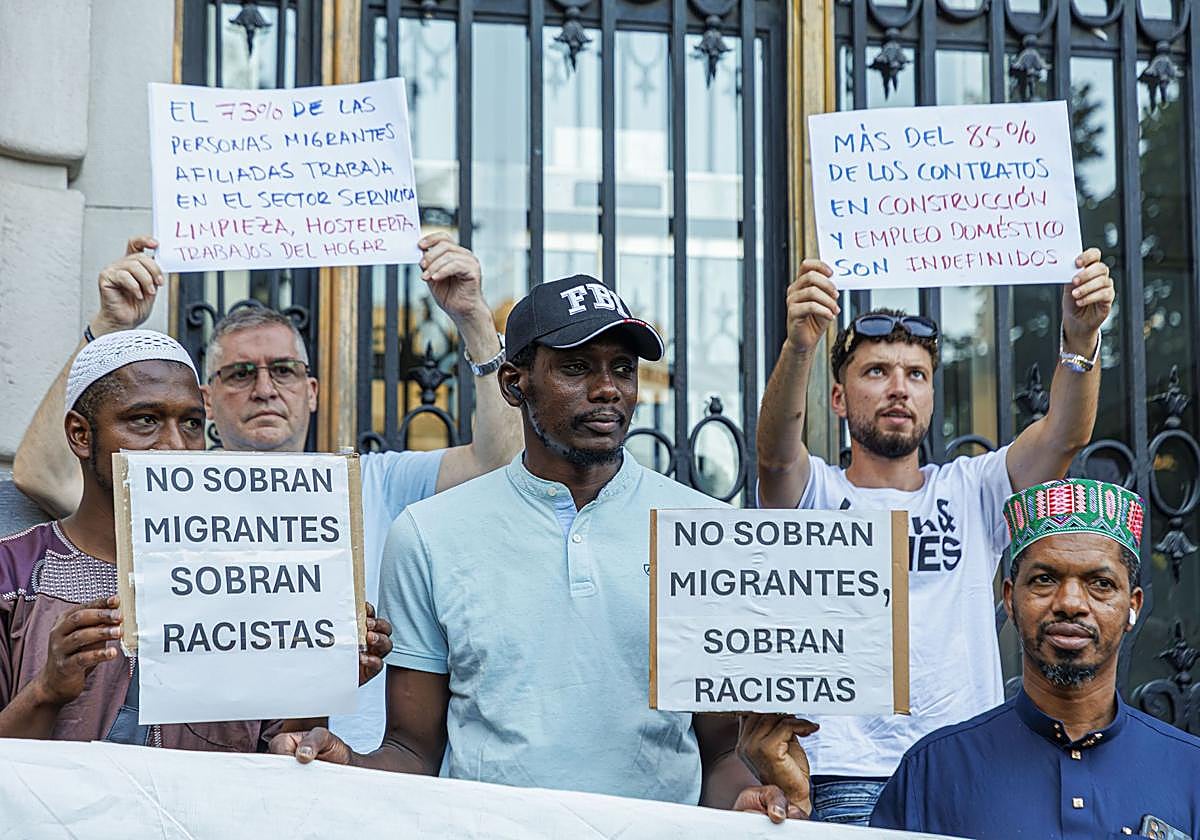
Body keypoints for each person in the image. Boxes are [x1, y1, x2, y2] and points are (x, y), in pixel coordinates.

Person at [269, 275, 801, 822]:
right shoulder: (428, 534)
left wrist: (746, 800)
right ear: (513, 383)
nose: (607, 389)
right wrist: (348, 766)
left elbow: (720, 754)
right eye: (577, 367)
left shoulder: (705, 533)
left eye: (622, 368)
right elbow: (412, 751)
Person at [12, 232, 522, 752]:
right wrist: (109, 328)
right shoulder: (165, 494)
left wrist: (473, 318)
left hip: (357, 772)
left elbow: (499, 465)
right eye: (239, 374)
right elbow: (42, 473)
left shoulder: (373, 479)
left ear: (312, 391)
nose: (264, 389)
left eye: (283, 370)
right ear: (208, 401)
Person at [754, 248, 1115, 823]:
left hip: (967, 766)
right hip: (846, 774)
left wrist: (1081, 339)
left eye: (916, 375)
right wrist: (800, 346)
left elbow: (1063, 437)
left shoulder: (973, 489)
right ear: (838, 398)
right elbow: (775, 456)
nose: (899, 388)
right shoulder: (815, 492)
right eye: (877, 372)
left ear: (929, 399)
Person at [0, 330, 391, 747]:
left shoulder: (252, 576)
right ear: (81, 435)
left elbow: (278, 753)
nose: (174, 445)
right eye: (145, 420)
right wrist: (46, 691)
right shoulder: (14, 571)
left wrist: (324, 679)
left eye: (191, 424)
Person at [867, 478, 1200, 836]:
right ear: (1010, 600)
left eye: (1101, 584)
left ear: (1133, 606)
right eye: (1044, 579)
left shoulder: (1190, 770)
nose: (1070, 603)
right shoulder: (933, 772)